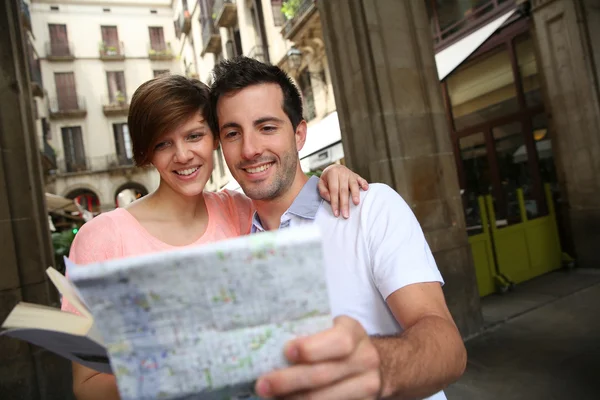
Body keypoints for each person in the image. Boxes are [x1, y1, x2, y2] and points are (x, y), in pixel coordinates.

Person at [64, 74, 368, 400]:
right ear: (147, 153)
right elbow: (86, 386)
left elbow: (292, 195)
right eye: (163, 143)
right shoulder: (100, 238)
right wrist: (176, 369)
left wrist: (333, 175)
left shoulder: (240, 210)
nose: (182, 155)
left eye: (194, 136)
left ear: (215, 139)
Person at [209, 57, 467, 400]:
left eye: (267, 127)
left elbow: (448, 348)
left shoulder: (370, 207)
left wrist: (374, 366)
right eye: (232, 133)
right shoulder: (233, 238)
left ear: (299, 134)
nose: (250, 149)